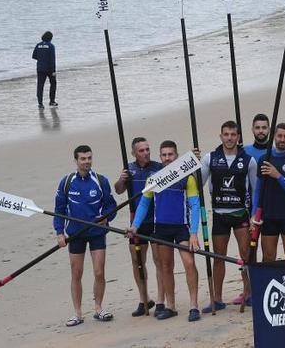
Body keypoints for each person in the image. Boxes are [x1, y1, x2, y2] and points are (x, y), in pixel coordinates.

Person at [127, 141, 201, 322]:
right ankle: (171, 306)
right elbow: (144, 204)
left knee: (189, 263)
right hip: (160, 228)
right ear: (160, 157)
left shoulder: (188, 177)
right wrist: (135, 226)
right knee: (166, 267)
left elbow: (194, 205)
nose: (167, 158)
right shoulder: (153, 179)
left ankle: (193, 306)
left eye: (171, 155)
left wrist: (193, 233)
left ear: (176, 156)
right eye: (164, 155)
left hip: (181, 228)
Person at [53, 145, 117, 327]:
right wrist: (59, 232)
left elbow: (111, 206)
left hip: (96, 233)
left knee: (99, 271)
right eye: (83, 159)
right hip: (75, 234)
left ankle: (98, 308)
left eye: (89, 158)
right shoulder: (66, 182)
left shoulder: (100, 181)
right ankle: (78, 313)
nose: (86, 161)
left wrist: (106, 218)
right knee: (76, 273)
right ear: (76, 160)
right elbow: (59, 210)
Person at [199, 120, 258, 312]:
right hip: (219, 215)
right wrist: (194, 163)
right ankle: (217, 299)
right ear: (221, 136)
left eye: (233, 134)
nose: (230, 138)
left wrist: (254, 217)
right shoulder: (210, 158)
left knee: (246, 256)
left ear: (238, 137)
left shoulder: (249, 160)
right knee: (218, 258)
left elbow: (255, 190)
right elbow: (198, 183)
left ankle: (248, 294)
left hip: (241, 214)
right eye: (226, 134)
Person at [114, 137, 164, 317]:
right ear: (134, 153)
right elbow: (119, 190)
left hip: (156, 219)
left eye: (147, 149)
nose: (146, 153)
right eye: (141, 151)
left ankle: (160, 301)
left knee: (159, 260)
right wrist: (121, 179)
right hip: (136, 221)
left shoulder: (158, 168)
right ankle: (144, 300)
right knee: (137, 261)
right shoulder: (130, 169)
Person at [251, 122, 285, 262]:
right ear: (274, 136)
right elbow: (258, 190)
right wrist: (255, 214)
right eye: (279, 136)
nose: (282, 139)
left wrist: (278, 175)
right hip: (268, 215)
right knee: (268, 257)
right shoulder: (264, 159)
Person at [32, 31, 57, 109]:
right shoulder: (51, 46)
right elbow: (52, 59)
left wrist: (41, 59)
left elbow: (34, 56)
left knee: (40, 86)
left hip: (40, 68)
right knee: (53, 84)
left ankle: (40, 104)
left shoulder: (38, 45)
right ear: (50, 38)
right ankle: (52, 101)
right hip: (49, 68)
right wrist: (53, 71)